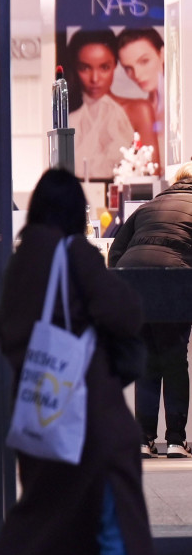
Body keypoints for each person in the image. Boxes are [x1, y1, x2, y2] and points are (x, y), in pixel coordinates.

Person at [0, 168, 184, 555]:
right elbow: (124, 308)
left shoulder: (24, 259)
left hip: (44, 412)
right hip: (89, 418)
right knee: (117, 531)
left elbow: (10, 329)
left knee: (33, 524)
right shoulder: (72, 255)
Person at [108, 161, 192, 459]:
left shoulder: (148, 206)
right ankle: (175, 441)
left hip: (134, 281)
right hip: (173, 280)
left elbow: (116, 251)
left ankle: (143, 440)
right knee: (173, 359)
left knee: (146, 359)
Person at [66, 29, 155, 180]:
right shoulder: (70, 118)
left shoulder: (139, 110)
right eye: (85, 68)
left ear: (115, 65)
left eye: (104, 67)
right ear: (75, 68)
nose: (95, 78)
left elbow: (153, 175)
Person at [117, 27, 164, 165]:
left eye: (144, 61)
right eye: (128, 68)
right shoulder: (141, 110)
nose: (137, 74)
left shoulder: (183, 107)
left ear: (162, 54)